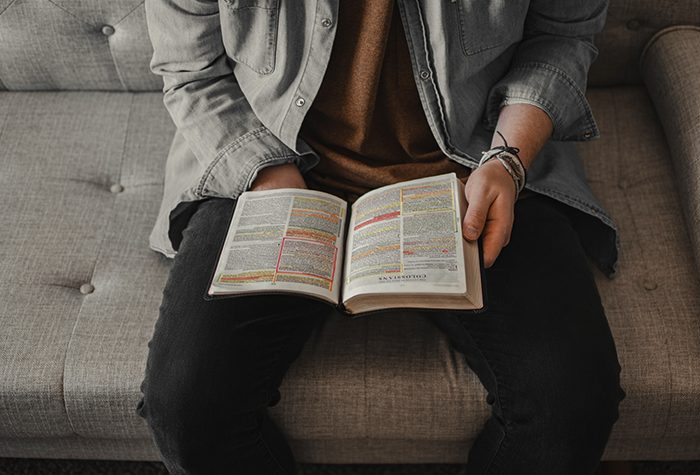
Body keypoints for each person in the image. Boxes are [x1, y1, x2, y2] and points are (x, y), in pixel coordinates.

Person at [136, 0, 627, 473]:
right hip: (266, 163)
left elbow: (560, 36)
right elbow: (190, 68)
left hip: (475, 167)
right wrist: (266, 176)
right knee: (187, 408)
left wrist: (508, 159)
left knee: (571, 402)